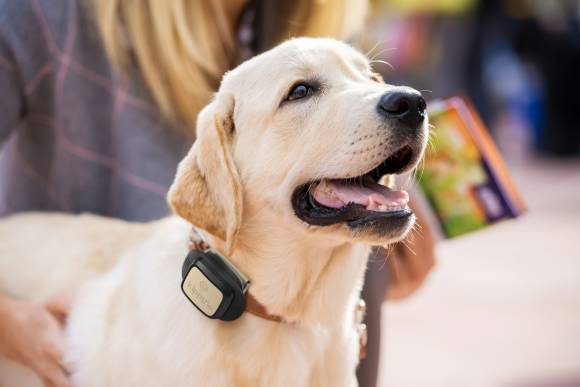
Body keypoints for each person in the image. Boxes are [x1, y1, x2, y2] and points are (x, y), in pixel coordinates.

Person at [0, 1, 434, 386]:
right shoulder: (40, 12)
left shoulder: (318, 17)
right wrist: (8, 322)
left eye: (372, 76)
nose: (385, 96)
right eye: (302, 91)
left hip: (323, 338)